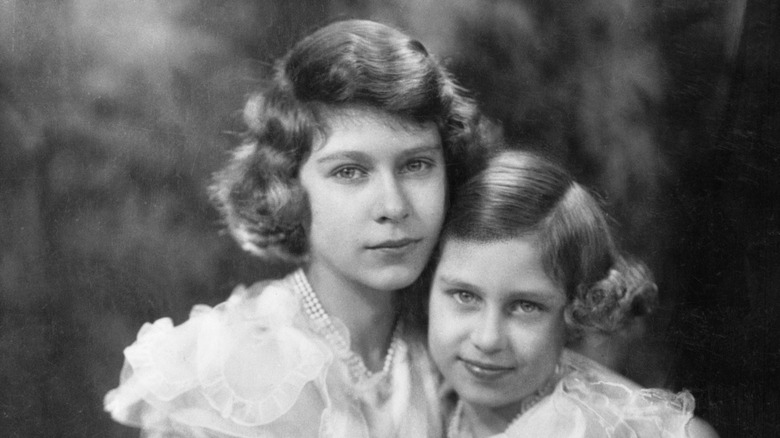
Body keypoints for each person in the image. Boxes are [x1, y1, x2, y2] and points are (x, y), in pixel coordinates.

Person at [104, 19, 486, 437]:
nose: (394, 206)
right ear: (288, 186)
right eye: (350, 172)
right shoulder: (233, 369)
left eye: (416, 165)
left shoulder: (470, 345)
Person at [428, 150, 719, 437]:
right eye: (465, 296)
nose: (487, 339)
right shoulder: (419, 392)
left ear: (578, 311)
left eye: (526, 306)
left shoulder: (589, 427)